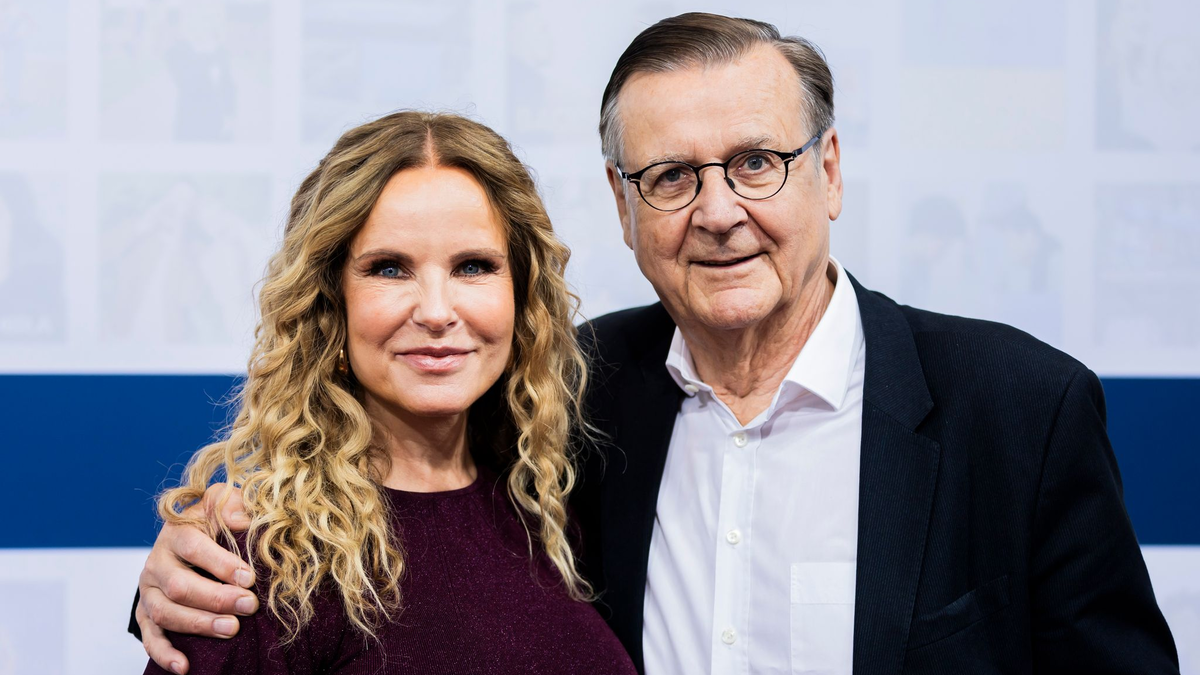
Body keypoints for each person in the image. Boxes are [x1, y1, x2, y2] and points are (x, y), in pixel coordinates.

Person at [133, 13, 1179, 675]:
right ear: (621, 208)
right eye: (671, 177)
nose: (718, 211)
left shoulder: (1018, 410)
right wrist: (179, 590)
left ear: (832, 172)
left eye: (757, 162)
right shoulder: (572, 400)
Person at [138, 110, 637, 674]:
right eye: (389, 269)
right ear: (331, 304)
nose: (436, 311)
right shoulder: (265, 561)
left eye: (473, 266)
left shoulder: (546, 515)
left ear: (522, 298)